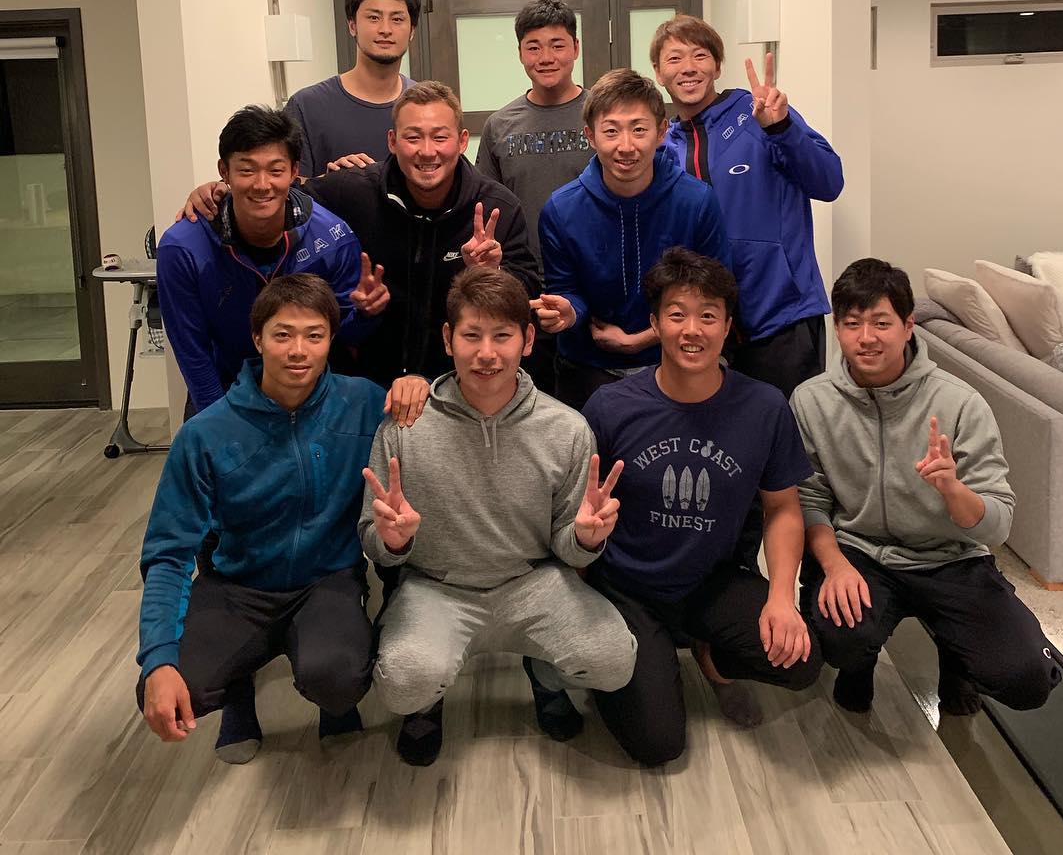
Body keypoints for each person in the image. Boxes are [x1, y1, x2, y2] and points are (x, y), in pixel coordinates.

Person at [359, 266, 637, 766]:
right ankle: (428, 701)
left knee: (614, 661)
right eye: (472, 336)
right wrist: (394, 542)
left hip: (533, 584)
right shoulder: (404, 426)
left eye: (502, 336)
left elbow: (570, 551)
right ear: (448, 339)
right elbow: (373, 541)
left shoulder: (567, 429)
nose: (486, 353)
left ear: (527, 341)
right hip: (437, 587)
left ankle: (545, 674)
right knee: (403, 682)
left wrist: (586, 538)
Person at [582, 247, 821, 766]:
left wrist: (782, 597)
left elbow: (783, 508)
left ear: (728, 326)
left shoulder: (764, 407)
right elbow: (578, 507)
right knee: (658, 744)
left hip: (711, 582)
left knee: (800, 661)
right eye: (677, 314)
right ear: (654, 324)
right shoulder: (610, 407)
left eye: (708, 316)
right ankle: (633, 661)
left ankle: (711, 657)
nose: (692, 330)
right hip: (628, 588)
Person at [791, 258, 1060, 716]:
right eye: (852, 324)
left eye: (881, 323)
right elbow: (810, 499)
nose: (866, 337)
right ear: (837, 329)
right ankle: (858, 666)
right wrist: (834, 566)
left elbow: (997, 523)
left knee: (1026, 677)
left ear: (908, 325)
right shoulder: (811, 400)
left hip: (950, 557)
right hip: (860, 553)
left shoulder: (959, 403)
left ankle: (956, 662)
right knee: (835, 636)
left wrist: (953, 490)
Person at [180, 81, 539, 423]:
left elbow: (528, 295)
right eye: (413, 137)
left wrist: (492, 274)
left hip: (462, 386)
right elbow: (278, 195)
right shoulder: (352, 192)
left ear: (461, 141)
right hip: (367, 392)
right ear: (392, 141)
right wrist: (220, 192)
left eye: (440, 137)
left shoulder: (496, 206)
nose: (427, 151)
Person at [136, 274, 386, 763]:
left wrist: (415, 383)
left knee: (337, 678)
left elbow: (440, 409)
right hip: (238, 585)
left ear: (331, 340)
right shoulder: (205, 434)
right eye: (282, 334)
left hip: (327, 579)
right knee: (171, 685)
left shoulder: (364, 404)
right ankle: (238, 689)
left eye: (314, 335)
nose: (298, 350)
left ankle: (328, 693)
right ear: (257, 339)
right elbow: (168, 554)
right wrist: (158, 657)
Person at [650, 15, 843, 398]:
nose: (688, 68)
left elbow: (829, 182)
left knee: (790, 431)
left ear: (717, 66)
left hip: (781, 320)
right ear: (658, 72)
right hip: (706, 333)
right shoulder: (666, 146)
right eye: (674, 58)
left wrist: (781, 129)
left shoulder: (757, 114)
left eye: (700, 55)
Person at [158, 105, 385, 416]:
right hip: (225, 390)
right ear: (224, 172)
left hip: (312, 397)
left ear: (294, 172)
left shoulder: (332, 237)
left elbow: (345, 338)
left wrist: (366, 313)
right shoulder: (183, 249)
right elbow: (191, 351)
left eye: (275, 171)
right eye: (247, 170)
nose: (262, 184)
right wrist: (218, 424)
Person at [534, 68, 730, 412]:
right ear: (590, 136)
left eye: (639, 129)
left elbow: (716, 295)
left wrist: (641, 339)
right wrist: (568, 312)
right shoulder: (561, 209)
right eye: (611, 131)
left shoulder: (696, 201)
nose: (626, 146)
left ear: (661, 132)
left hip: (676, 361)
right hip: (587, 368)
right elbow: (567, 289)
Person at [476, 0, 595, 395]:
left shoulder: (602, 116)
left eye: (557, 45)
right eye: (534, 47)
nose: (546, 57)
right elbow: (486, 211)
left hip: (592, 286)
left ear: (575, 48)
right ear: (520, 53)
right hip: (525, 291)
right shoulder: (499, 126)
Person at [286, 0, 419, 177]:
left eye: (397, 19)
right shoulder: (307, 106)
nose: (385, 29)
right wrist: (331, 181)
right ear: (352, 26)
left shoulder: (426, 105)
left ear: (412, 31)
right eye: (373, 18)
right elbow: (287, 184)